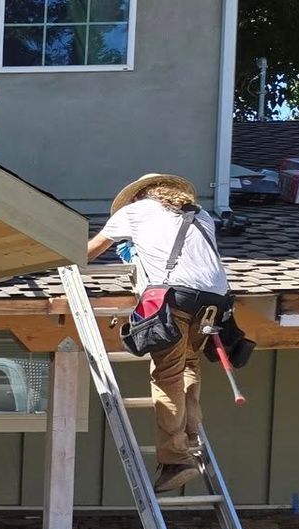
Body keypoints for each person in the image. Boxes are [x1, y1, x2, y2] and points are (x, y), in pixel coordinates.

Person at [87, 173, 232, 494]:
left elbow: (88, 252)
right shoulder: (201, 214)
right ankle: (191, 437)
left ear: (140, 196)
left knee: (167, 376)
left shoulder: (133, 212)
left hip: (176, 298)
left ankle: (176, 460)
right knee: (189, 366)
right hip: (216, 301)